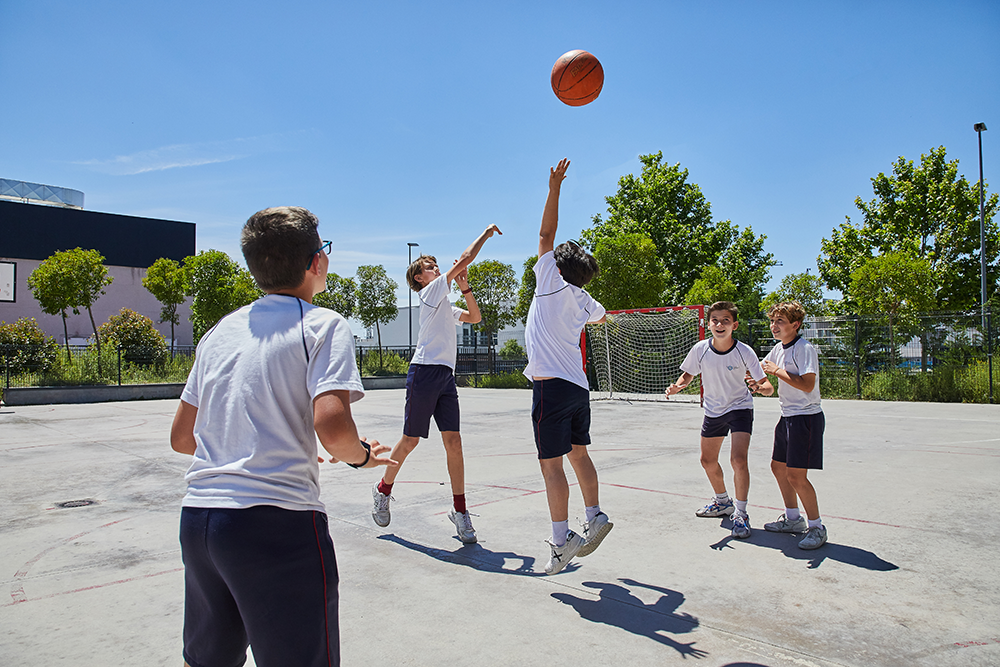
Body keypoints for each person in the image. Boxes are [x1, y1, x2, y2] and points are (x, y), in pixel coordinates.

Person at [170, 206, 397, 667]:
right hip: (275, 525)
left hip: (200, 521)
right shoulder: (321, 323)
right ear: (316, 262)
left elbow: (182, 437)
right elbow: (332, 427)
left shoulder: (218, 332)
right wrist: (360, 457)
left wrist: (265, 447)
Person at [371, 224, 502, 544]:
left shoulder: (444, 302)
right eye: (429, 266)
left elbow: (474, 318)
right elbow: (465, 257)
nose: (435, 267)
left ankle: (460, 511)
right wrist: (484, 235)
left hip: (445, 376)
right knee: (410, 440)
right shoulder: (429, 293)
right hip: (424, 373)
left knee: (454, 443)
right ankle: (382, 490)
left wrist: (467, 287)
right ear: (419, 278)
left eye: (435, 264)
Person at [523, 158, 612, 575]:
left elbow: (545, 233)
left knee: (551, 466)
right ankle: (594, 514)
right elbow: (602, 315)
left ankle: (561, 543)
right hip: (579, 388)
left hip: (551, 389)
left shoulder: (550, 281)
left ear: (556, 267)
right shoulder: (582, 298)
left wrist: (554, 186)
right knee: (580, 455)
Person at [665, 301, 771, 539]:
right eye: (715, 320)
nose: (720, 324)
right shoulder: (700, 349)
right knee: (707, 460)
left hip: (740, 407)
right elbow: (688, 374)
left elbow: (766, 385)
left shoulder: (745, 351)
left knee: (738, 460)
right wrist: (678, 387)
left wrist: (760, 387)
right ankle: (723, 502)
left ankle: (741, 514)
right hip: (714, 410)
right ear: (709, 323)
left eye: (725, 320)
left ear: (734, 324)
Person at [755, 300, 828, 550]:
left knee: (797, 476)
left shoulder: (804, 348)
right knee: (778, 467)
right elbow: (765, 378)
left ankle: (817, 527)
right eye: (773, 321)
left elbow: (807, 385)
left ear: (795, 325)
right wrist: (758, 384)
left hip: (806, 418)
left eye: (780, 322)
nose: (774, 326)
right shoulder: (778, 349)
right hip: (787, 416)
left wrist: (776, 372)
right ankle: (793, 519)